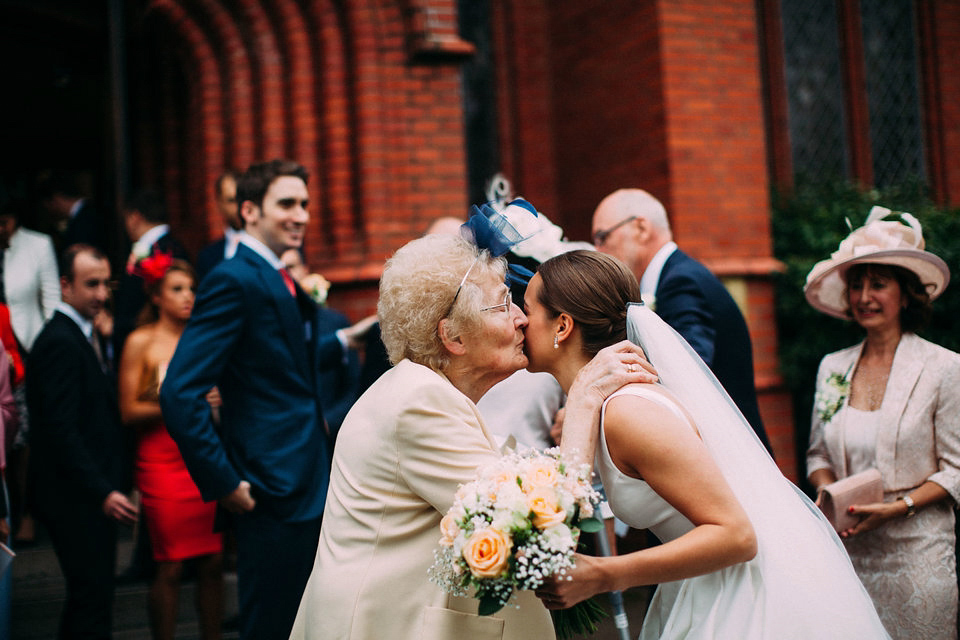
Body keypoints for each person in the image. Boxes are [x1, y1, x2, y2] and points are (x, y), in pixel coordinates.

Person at [289, 232, 652, 639]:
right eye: (504, 303)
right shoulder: (418, 400)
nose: (522, 319)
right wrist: (583, 398)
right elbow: (534, 529)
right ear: (453, 336)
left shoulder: (425, 391)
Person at [528, 250, 890, 639]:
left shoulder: (628, 411)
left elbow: (737, 535)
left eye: (526, 309)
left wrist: (604, 575)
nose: (517, 319)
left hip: (746, 600)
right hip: (703, 585)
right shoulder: (602, 406)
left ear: (562, 326)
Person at [159, 159, 367, 639]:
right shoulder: (233, 278)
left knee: (307, 619)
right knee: (272, 623)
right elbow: (180, 391)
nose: (302, 216)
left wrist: (341, 342)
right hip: (269, 486)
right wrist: (224, 479)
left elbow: (273, 359)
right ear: (249, 211)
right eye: (287, 204)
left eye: (306, 205)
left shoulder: (272, 274)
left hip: (307, 474)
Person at [804, 207, 959, 639]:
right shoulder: (832, 367)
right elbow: (817, 452)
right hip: (849, 556)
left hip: (918, 560)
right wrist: (831, 494)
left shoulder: (943, 368)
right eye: (856, 285)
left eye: (878, 284)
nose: (864, 297)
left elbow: (957, 469)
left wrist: (898, 507)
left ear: (906, 294)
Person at [591, 188, 771, 452]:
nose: (598, 250)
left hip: (729, 453)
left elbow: (687, 372)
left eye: (602, 237)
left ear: (641, 228)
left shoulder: (681, 284)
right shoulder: (676, 277)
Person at [26, 244, 138, 638]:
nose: (102, 295)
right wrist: (103, 492)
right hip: (74, 498)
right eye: (91, 284)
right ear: (64, 285)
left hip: (88, 495)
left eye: (106, 284)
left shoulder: (84, 333)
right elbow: (61, 430)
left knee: (92, 598)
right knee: (90, 599)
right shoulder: (60, 341)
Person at [118, 258, 223, 640]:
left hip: (201, 453)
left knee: (213, 561)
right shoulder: (140, 340)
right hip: (160, 460)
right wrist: (178, 399)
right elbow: (128, 409)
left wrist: (215, 396)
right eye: (177, 289)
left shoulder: (203, 336)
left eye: (192, 288)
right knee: (172, 564)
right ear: (156, 295)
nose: (188, 297)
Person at [114, 189, 191, 358]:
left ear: (134, 217)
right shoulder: (172, 245)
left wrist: (116, 327)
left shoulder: (164, 252)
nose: (188, 295)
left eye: (192, 289)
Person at [196, 170, 242, 283]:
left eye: (242, 199)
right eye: (231, 200)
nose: (239, 207)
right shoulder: (208, 256)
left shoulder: (271, 247)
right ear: (219, 203)